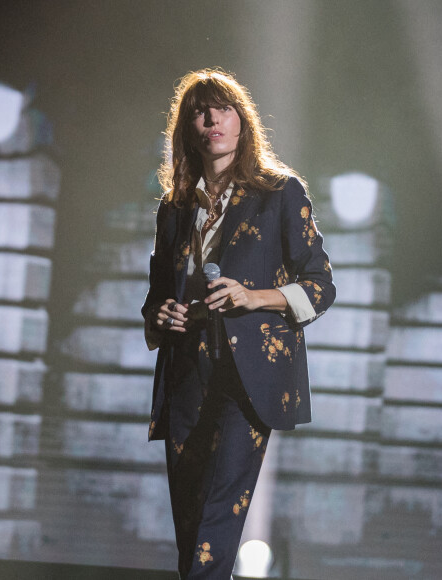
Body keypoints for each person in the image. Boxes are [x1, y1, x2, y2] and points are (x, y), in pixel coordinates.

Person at [142, 68, 336, 579]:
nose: (211, 120)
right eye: (199, 113)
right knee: (189, 520)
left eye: (221, 108)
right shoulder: (176, 208)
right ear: (188, 130)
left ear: (241, 120)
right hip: (187, 368)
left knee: (215, 516)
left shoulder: (280, 193)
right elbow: (157, 293)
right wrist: (161, 315)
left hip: (246, 374)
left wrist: (254, 297)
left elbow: (321, 286)